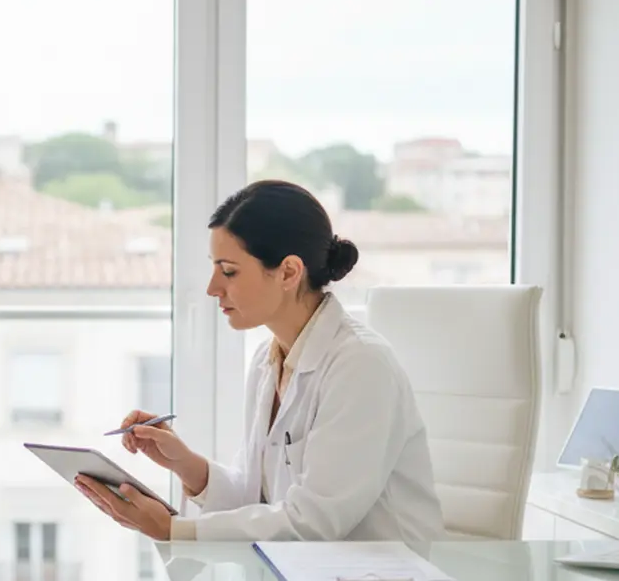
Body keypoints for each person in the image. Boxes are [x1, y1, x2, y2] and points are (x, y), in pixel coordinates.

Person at [75, 179, 445, 543]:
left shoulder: (361, 366)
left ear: (288, 272)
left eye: (229, 271)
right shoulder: (268, 360)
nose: (211, 287)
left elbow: (314, 522)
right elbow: (259, 501)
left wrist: (174, 529)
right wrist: (186, 464)